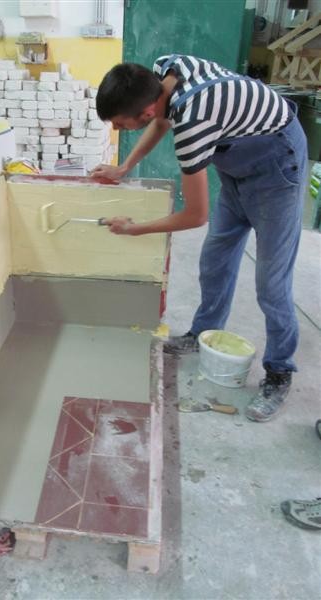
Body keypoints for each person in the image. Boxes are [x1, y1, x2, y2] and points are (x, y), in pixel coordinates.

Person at [91, 54, 308, 422]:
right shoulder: (164, 70)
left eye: (120, 124)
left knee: (272, 284)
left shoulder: (193, 124)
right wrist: (124, 167)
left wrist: (134, 229)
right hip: (237, 165)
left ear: (144, 110)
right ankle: (204, 332)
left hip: (277, 166)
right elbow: (161, 120)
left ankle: (279, 371)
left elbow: (195, 215)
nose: (116, 127)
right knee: (215, 259)